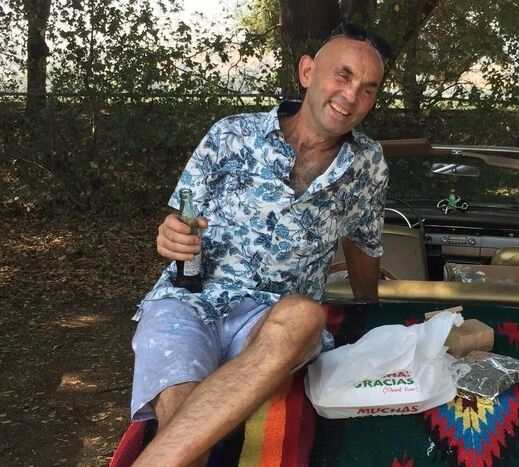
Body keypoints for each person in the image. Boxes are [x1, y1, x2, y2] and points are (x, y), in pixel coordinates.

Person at [130, 23, 394, 466]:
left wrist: (371, 312)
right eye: (343, 75)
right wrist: (169, 233)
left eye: (368, 89)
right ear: (307, 72)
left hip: (275, 319)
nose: (351, 96)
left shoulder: (368, 165)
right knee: (182, 417)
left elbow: (364, 243)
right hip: (189, 301)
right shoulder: (230, 134)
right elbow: (181, 217)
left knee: (305, 316)